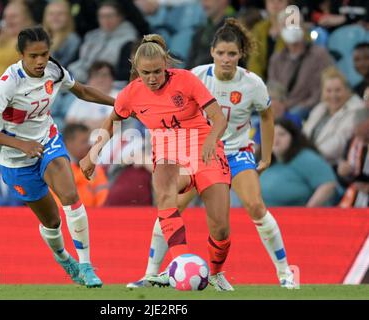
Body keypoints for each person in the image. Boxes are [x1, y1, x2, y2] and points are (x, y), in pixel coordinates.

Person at [127, 19, 297, 290]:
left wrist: (265, 155)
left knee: (254, 205)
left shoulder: (253, 84)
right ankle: (150, 273)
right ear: (212, 52)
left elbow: (267, 116)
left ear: (240, 54)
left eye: (232, 54)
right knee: (171, 206)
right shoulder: (196, 75)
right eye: (221, 53)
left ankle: (284, 272)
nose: (226, 59)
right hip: (197, 153)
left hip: (236, 152)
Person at [80, 34, 234, 291]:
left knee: (220, 227)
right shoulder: (131, 93)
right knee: (165, 195)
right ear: (136, 70)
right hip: (167, 152)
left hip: (204, 149)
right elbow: (112, 122)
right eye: (146, 73)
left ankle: (216, 272)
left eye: (157, 72)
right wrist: (92, 154)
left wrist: (210, 141)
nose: (152, 78)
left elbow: (219, 118)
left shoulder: (186, 80)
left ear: (166, 65)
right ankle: (181, 263)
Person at [0, 26, 116, 288]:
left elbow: (82, 91)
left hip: (48, 140)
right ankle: (63, 257)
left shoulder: (54, 69)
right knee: (52, 222)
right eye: (33, 56)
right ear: (21, 55)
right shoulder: (8, 84)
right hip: (15, 159)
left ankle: (86, 265)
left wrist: (118, 104)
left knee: (71, 196)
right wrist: (21, 145)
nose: (40, 61)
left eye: (45, 54)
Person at [260, 119, 337, 206]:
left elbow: (328, 185)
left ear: (293, 137)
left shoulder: (306, 158)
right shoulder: (266, 161)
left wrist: (307, 212)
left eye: (281, 134)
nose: (276, 140)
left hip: (295, 216)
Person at [303, 67, 365, 167]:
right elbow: (304, 135)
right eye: (329, 91)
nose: (333, 95)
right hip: (308, 159)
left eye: (338, 90)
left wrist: (308, 157)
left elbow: (338, 145)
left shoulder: (356, 109)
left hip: (331, 165)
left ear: (347, 90)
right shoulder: (320, 108)